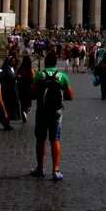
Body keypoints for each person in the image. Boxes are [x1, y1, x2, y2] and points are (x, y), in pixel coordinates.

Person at [31, 52, 74, 181]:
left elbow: (32, 94)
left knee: (40, 140)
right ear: (55, 63)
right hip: (56, 111)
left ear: (45, 62)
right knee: (55, 139)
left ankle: (41, 168)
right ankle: (56, 170)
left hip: (42, 110)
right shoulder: (62, 76)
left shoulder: (39, 75)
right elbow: (70, 96)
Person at [17, 54, 35, 122]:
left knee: (22, 102)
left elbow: (17, 77)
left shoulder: (20, 69)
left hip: (21, 87)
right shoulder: (31, 70)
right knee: (28, 103)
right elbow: (33, 78)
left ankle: (23, 112)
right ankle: (25, 112)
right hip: (28, 88)